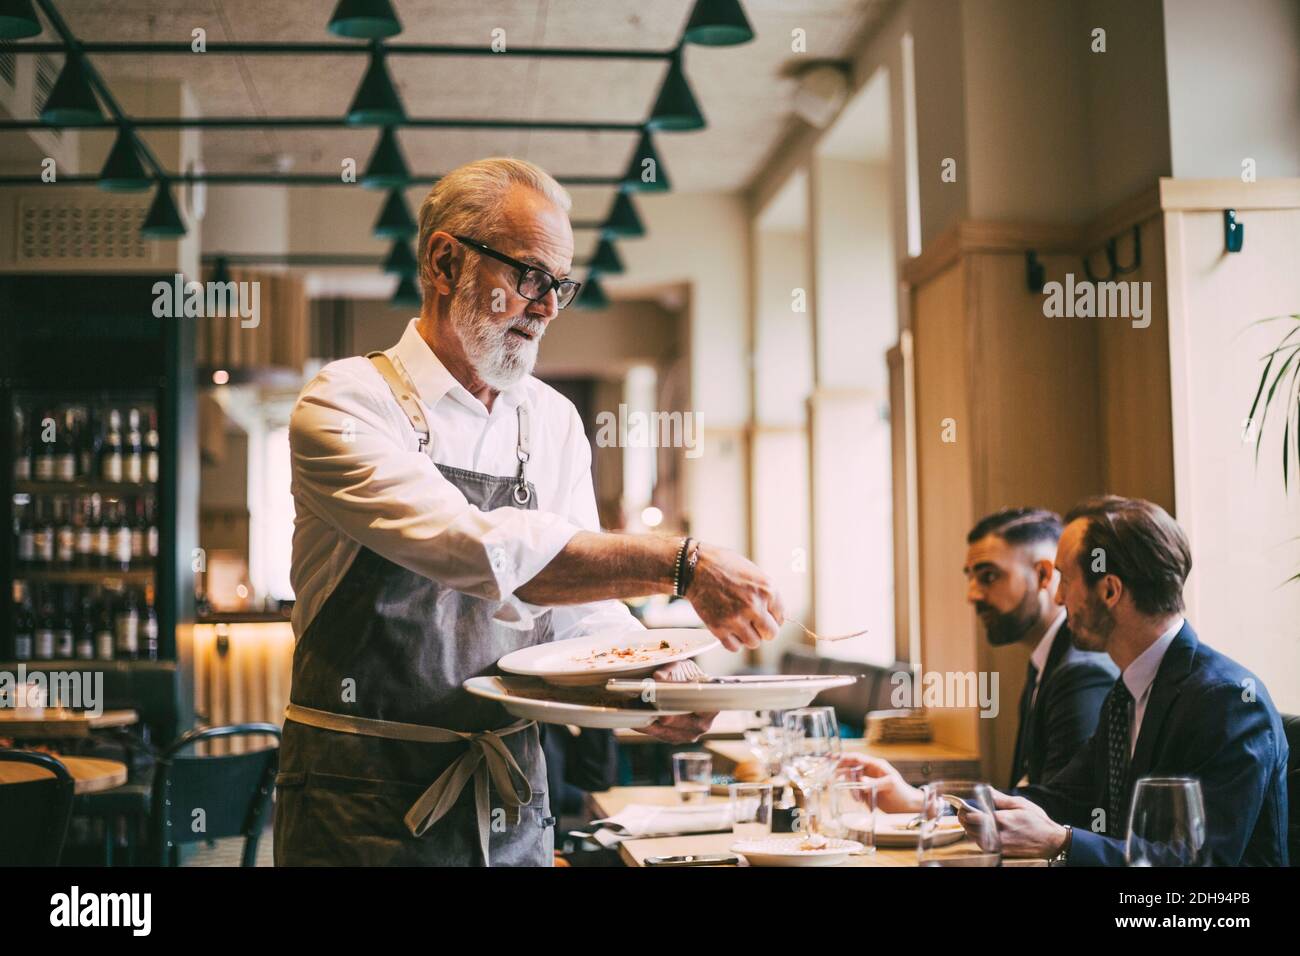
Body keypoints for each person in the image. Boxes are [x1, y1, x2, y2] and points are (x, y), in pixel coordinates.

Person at [274, 157, 783, 866]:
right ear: (445, 261)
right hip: (359, 800)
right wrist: (677, 564)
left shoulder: (551, 421)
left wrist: (655, 673)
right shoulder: (346, 404)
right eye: (530, 277)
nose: (546, 308)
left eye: (560, 286)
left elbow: (581, 616)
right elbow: (474, 547)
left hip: (510, 800)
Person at [843, 496, 1289, 866]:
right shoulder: (1130, 690)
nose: (1057, 597)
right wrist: (930, 803)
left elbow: (1204, 862)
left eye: (1065, 579)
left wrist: (1061, 842)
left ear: (1110, 590)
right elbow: (1060, 798)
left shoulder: (1228, 701)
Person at [964, 508, 1116, 787]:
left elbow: (1059, 808)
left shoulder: (1081, 672)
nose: (972, 595)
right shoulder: (1045, 662)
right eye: (970, 577)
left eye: (988, 576)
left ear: (1043, 575)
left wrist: (930, 805)